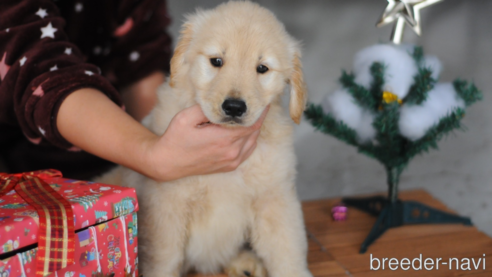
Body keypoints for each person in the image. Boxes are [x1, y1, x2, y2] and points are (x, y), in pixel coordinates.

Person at [0, 0, 266, 181]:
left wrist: (174, 147)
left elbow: (140, 60)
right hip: (16, 183)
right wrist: (152, 154)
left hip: (107, 171)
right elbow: (34, 70)